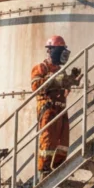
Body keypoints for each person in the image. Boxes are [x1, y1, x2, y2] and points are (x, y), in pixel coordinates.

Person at [31, 35, 83, 180]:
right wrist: (54, 80)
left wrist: (71, 80)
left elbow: (64, 90)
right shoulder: (41, 67)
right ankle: (44, 170)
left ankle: (59, 168)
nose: (63, 54)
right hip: (48, 109)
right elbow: (35, 86)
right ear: (51, 50)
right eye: (61, 50)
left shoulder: (60, 70)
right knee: (48, 140)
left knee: (63, 141)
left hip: (61, 109)